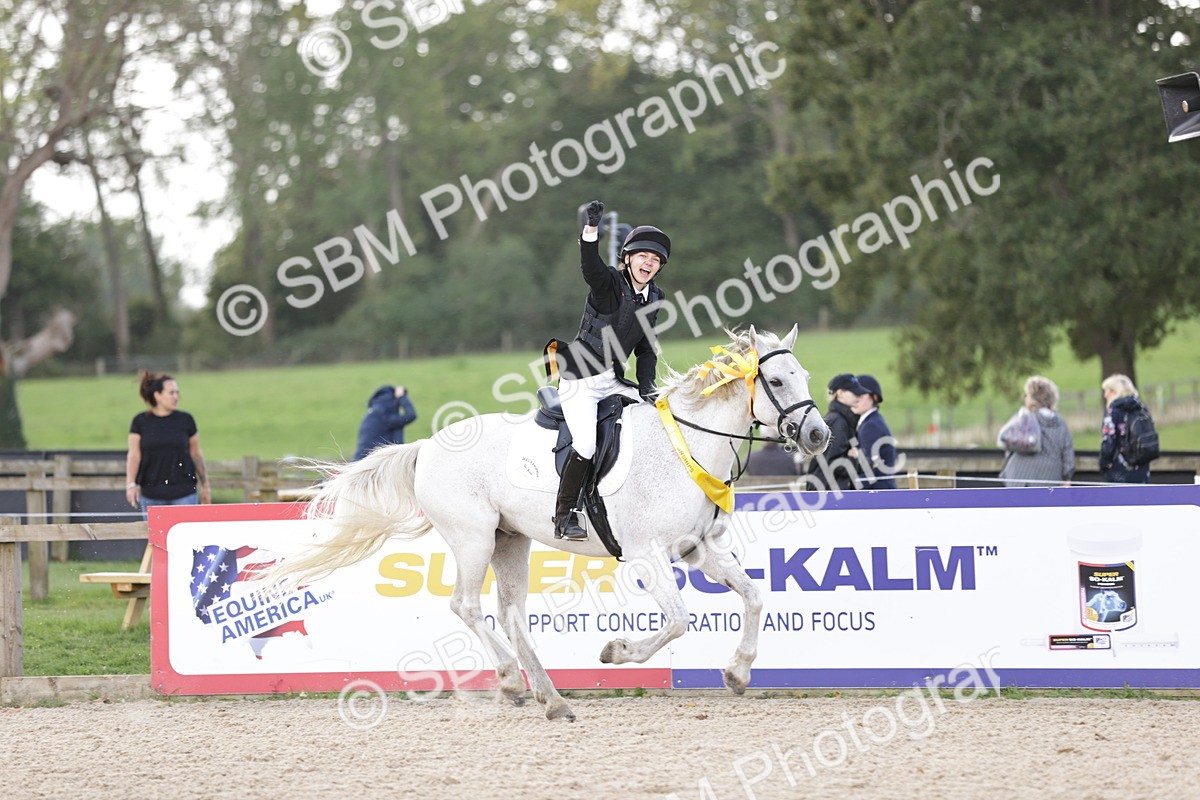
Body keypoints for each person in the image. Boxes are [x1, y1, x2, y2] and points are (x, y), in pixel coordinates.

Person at [547, 199, 668, 541]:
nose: (650, 262)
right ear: (628, 258)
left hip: (613, 381)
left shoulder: (655, 296)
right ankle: (565, 514)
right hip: (579, 380)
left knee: (656, 422)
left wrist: (648, 387)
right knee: (585, 444)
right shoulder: (610, 284)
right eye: (644, 255)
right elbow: (590, 267)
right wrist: (591, 230)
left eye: (656, 260)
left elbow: (645, 348)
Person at [126, 370, 210, 514]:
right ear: (157, 395)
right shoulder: (140, 422)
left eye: (177, 393)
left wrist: (205, 484)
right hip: (151, 493)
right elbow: (134, 455)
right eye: (171, 393)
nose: (176, 397)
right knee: (156, 537)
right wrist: (131, 484)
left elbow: (195, 453)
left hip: (184, 493)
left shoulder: (186, 420)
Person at [997, 375, 1075, 488]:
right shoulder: (1060, 423)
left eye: (1027, 395)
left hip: (1019, 480)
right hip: (1050, 481)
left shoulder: (1024, 419)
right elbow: (1068, 455)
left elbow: (1005, 440)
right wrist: (1066, 477)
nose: (1024, 398)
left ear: (1033, 399)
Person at [801, 373, 864, 490]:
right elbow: (834, 464)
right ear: (840, 393)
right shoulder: (838, 421)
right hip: (828, 492)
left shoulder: (842, 419)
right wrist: (854, 458)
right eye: (855, 393)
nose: (858, 396)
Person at [1099, 374, 1151, 484]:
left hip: (1118, 470)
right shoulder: (1141, 410)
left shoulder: (1113, 412)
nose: (1105, 395)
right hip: (1142, 469)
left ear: (1114, 391)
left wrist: (1103, 465)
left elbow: (1108, 444)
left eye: (1107, 391)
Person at [848, 374, 898, 489]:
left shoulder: (871, 426)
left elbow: (869, 471)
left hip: (877, 494)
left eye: (860, 395)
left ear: (874, 397)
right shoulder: (870, 422)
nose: (855, 400)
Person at [353, 385, 417, 461]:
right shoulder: (386, 416)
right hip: (378, 463)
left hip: (363, 461)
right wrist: (401, 397)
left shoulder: (372, 413)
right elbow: (411, 415)